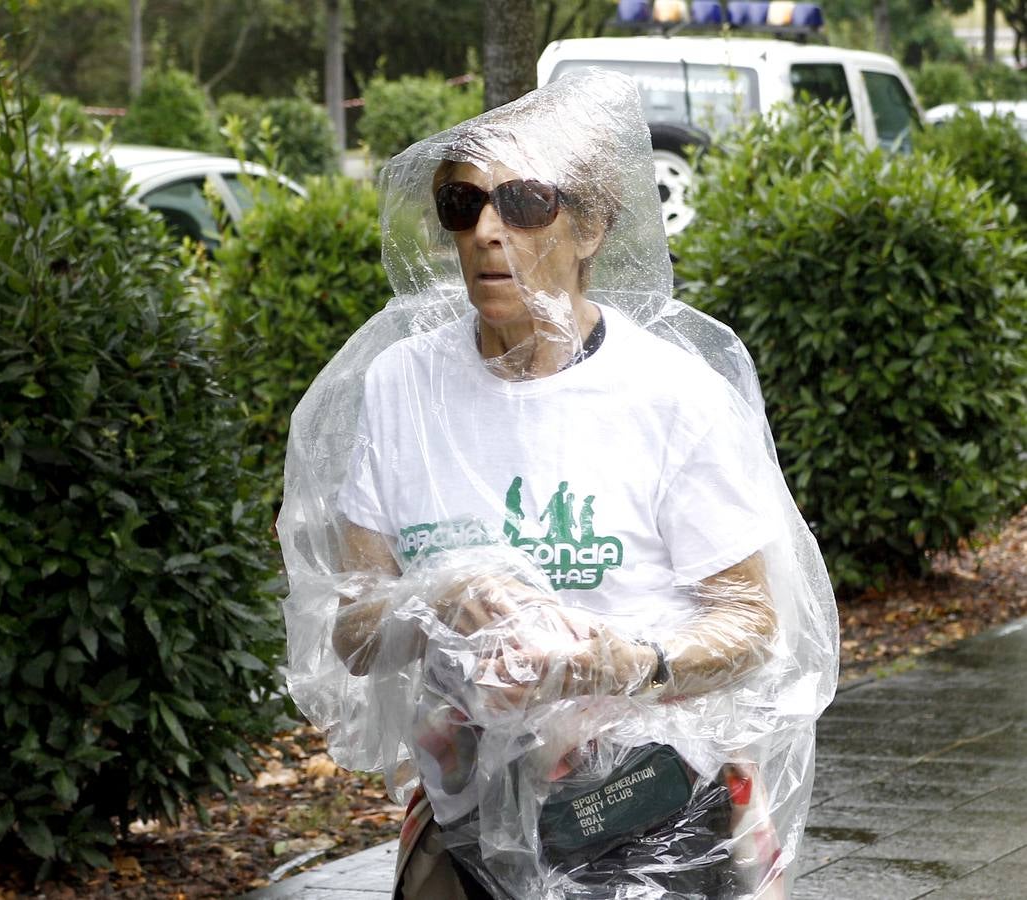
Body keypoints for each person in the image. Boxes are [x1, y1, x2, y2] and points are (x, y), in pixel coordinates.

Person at [278, 71, 838, 900]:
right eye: (463, 206)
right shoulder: (402, 387)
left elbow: (754, 623)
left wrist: (624, 661)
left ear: (591, 226)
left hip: (652, 806)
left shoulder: (670, 396)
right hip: (468, 806)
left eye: (526, 202)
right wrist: (441, 593)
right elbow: (356, 632)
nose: (488, 231)